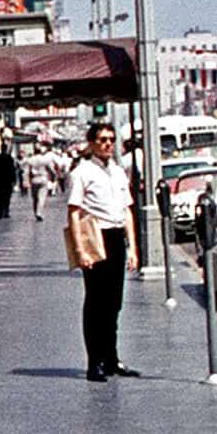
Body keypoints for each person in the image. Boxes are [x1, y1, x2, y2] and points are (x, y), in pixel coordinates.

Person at [66, 122, 140, 383]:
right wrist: (80, 250)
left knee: (114, 302)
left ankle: (112, 358)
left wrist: (132, 247)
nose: (107, 144)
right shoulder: (82, 172)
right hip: (95, 238)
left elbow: (127, 211)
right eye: (102, 140)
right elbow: (74, 212)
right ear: (91, 143)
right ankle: (94, 362)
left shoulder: (118, 172)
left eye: (111, 139)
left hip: (116, 237)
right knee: (96, 303)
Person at [25, 145, 56, 221]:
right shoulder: (45, 160)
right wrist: (53, 178)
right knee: (41, 198)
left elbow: (26, 172)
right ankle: (39, 212)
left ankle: (36, 213)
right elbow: (51, 170)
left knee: (35, 198)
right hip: (43, 179)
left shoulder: (30, 160)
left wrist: (26, 181)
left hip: (34, 180)